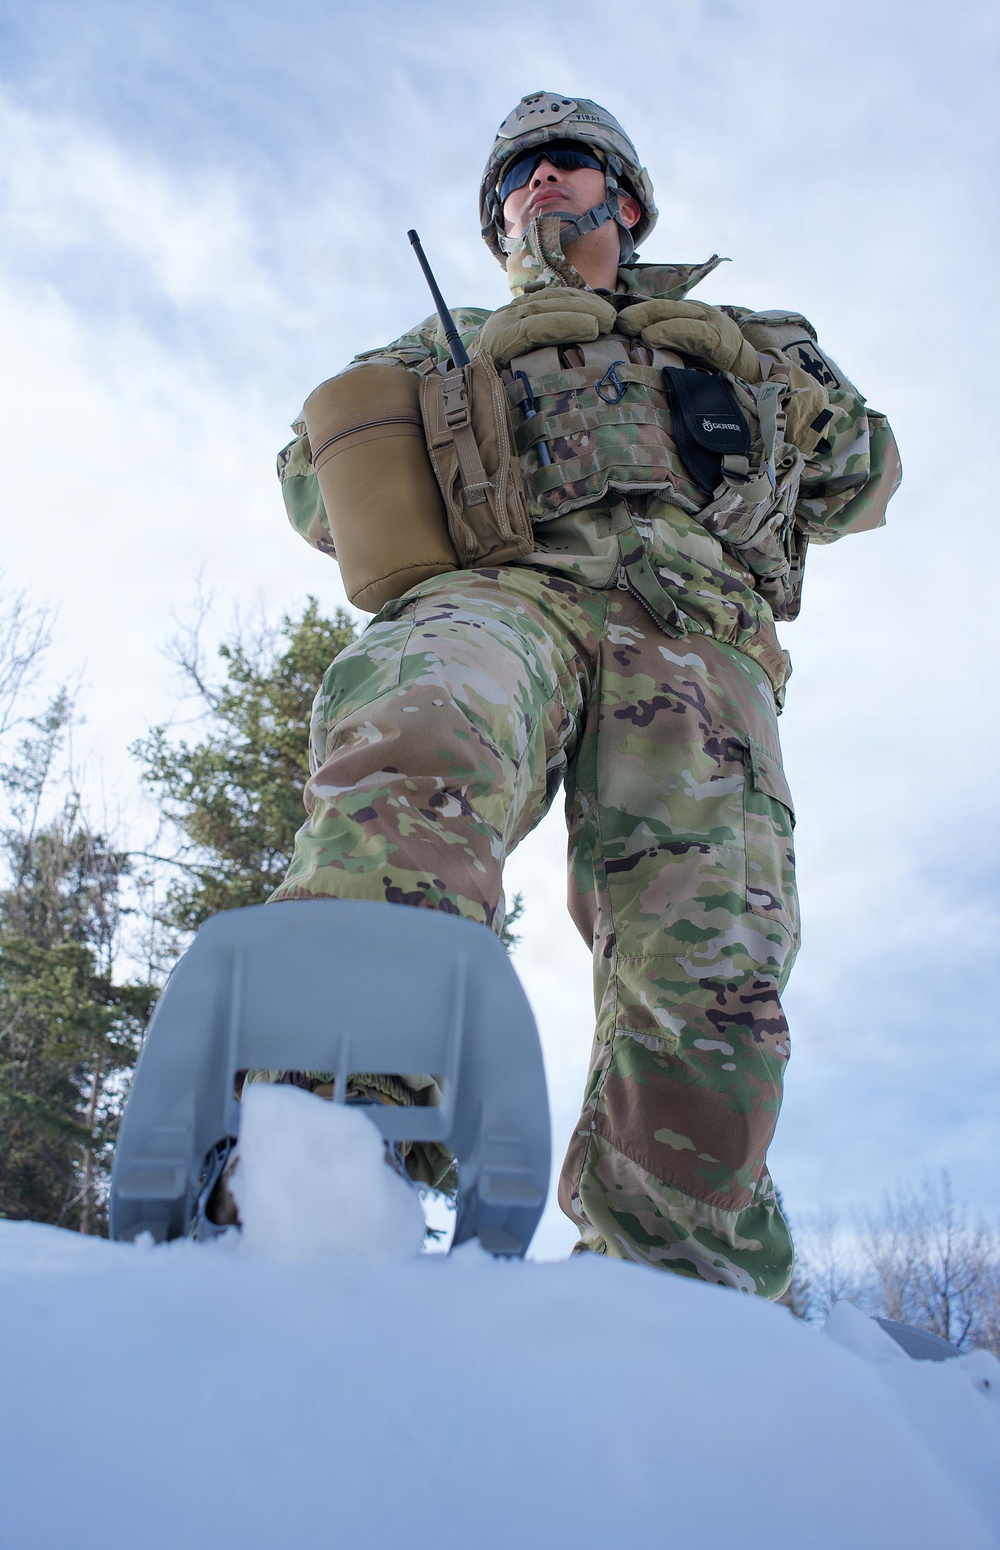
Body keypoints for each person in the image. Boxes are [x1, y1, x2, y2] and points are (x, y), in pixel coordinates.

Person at [267, 92, 901, 1296]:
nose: (537, 182)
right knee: (417, 727)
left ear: (628, 197)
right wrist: (441, 393)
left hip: (692, 632)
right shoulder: (442, 341)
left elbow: (865, 478)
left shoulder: (740, 332)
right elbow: (315, 494)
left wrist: (770, 383)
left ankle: (677, 1291)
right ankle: (321, 1151)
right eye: (513, 176)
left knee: (711, 956)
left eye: (566, 162)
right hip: (511, 589)